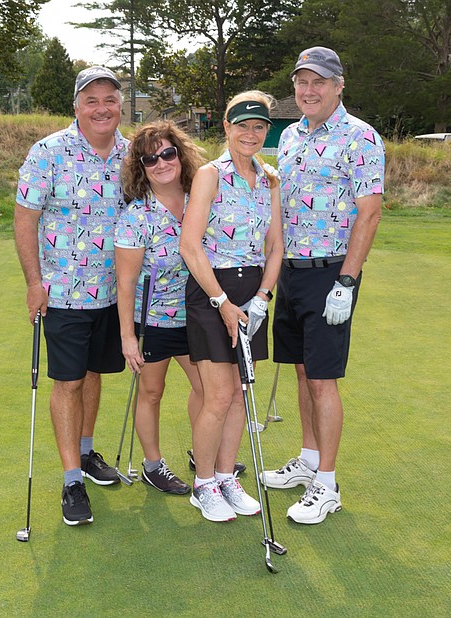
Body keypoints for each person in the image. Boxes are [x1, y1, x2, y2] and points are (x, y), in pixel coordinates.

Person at [263, 46, 385, 524]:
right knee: (299, 370)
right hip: (290, 271)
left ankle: (327, 484)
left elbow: (369, 212)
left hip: (330, 272)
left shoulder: (360, 137)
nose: (308, 90)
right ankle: (309, 459)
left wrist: (348, 281)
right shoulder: (290, 134)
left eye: (319, 82)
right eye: (302, 82)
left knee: (322, 379)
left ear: (338, 86)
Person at [14, 66, 128, 527]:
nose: (102, 108)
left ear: (121, 104)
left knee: (94, 373)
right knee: (70, 382)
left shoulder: (131, 152)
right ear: (76, 106)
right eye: (91, 100)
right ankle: (71, 480)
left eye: (110, 99)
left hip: (114, 290)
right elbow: (25, 219)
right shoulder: (48, 152)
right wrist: (33, 282)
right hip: (62, 291)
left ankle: (85, 451)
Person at [179, 91, 283, 522]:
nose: (251, 133)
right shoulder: (210, 174)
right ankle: (203, 484)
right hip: (211, 290)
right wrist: (221, 301)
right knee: (219, 395)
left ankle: (226, 477)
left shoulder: (271, 178)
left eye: (258, 126)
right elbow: (190, 244)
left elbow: (275, 246)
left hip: (252, 291)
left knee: (241, 394)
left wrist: (261, 298)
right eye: (242, 125)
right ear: (226, 127)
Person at [114, 121, 207, 495]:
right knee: (152, 393)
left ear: (180, 155)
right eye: (150, 158)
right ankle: (153, 465)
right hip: (153, 322)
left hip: (200, 317)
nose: (162, 162)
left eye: (168, 153)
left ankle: (205, 452)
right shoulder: (137, 217)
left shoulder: (202, 199)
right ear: (141, 167)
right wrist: (127, 338)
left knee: (208, 390)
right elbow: (126, 283)